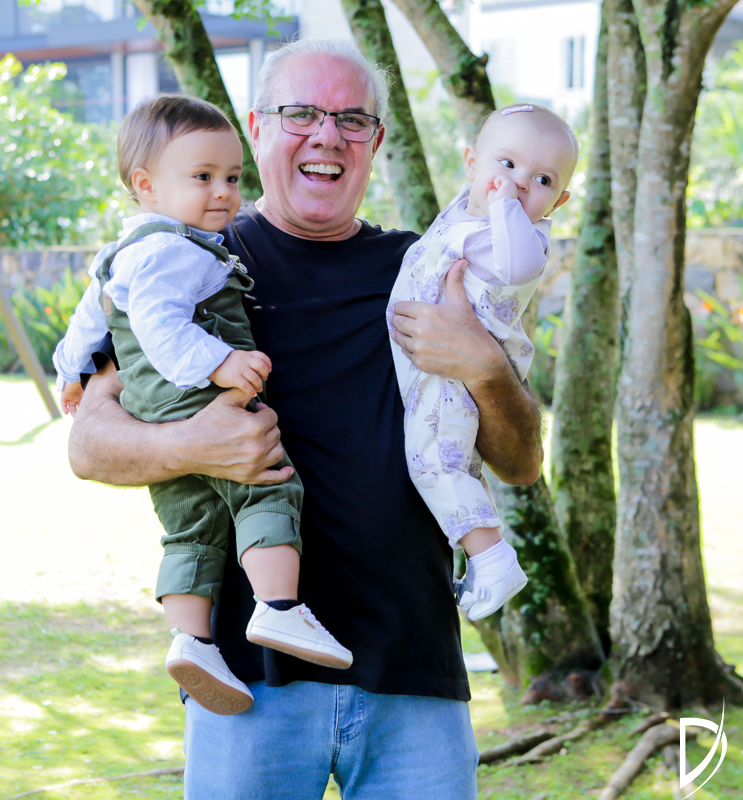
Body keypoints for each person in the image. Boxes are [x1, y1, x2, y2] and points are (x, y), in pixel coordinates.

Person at [67, 38, 543, 800]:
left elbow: (521, 462)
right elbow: (89, 444)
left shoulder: (429, 271)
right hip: (248, 681)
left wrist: (483, 364)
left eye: (352, 120)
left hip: (413, 673)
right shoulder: (190, 260)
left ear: (376, 144)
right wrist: (190, 443)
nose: (326, 136)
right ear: (258, 128)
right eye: (301, 114)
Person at [52, 95, 352, 718]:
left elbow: (88, 322)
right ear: (146, 185)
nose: (223, 192)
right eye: (203, 177)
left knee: (191, 527)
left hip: (151, 412)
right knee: (266, 488)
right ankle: (278, 607)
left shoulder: (119, 253)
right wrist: (218, 364)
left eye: (232, 177)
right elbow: (161, 325)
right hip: (196, 397)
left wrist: (73, 374)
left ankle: (193, 642)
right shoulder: (177, 250)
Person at [388, 103, 578, 622]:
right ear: (471, 162)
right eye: (506, 164)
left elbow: (515, 264)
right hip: (429, 367)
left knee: (435, 458)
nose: (518, 184)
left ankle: (492, 559)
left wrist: (503, 205)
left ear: (558, 201)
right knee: (446, 453)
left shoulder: (523, 241)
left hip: (453, 369)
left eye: (542, 180)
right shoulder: (464, 214)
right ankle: (482, 556)